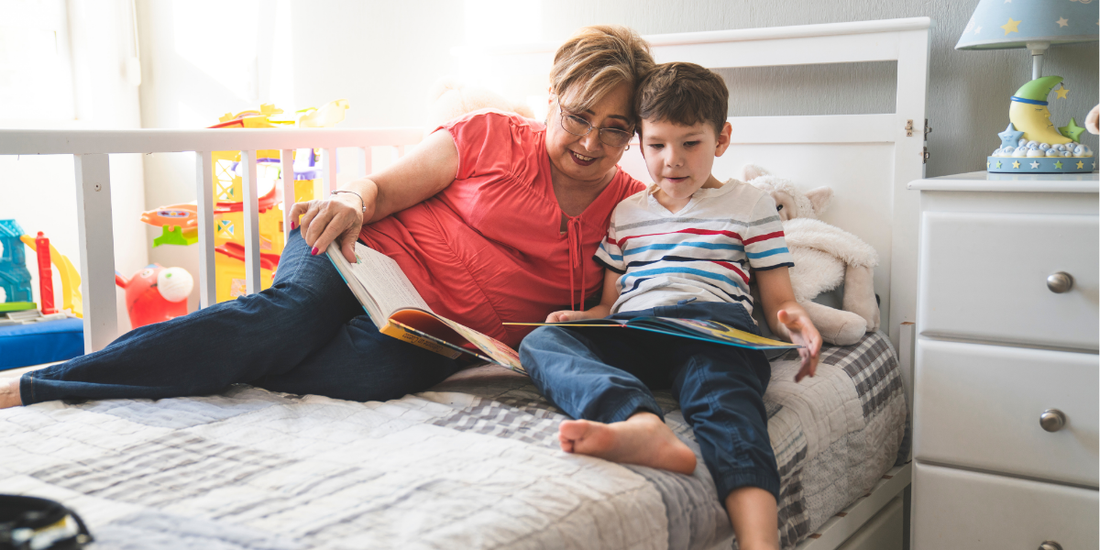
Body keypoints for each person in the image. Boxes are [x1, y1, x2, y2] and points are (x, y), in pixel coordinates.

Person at [0, 25, 654, 409]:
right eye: (577, 119)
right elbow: (379, 191)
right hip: (360, 254)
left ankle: (196, 360)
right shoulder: (487, 134)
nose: (590, 143)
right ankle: (36, 386)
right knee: (283, 319)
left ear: (636, 134)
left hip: (434, 331)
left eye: (615, 130)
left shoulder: (629, 205)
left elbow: (613, 306)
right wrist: (349, 199)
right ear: (552, 99)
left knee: (376, 375)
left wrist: (591, 321)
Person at [517, 62, 822, 550]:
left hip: (710, 328)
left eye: (690, 144)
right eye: (656, 145)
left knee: (726, 405)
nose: (671, 161)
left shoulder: (750, 207)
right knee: (540, 340)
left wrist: (798, 324)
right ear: (639, 141)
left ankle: (760, 542)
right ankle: (640, 424)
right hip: (636, 328)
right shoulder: (628, 212)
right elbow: (610, 304)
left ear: (721, 139)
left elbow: (779, 299)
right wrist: (584, 322)